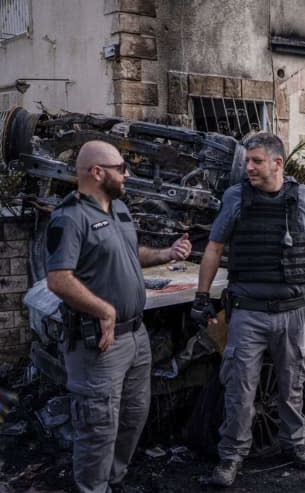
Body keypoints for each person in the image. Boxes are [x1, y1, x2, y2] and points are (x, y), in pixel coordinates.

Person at [191, 132, 305, 488]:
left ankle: (294, 444)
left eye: (256, 161)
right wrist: (202, 295)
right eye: (248, 161)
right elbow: (213, 247)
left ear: (277, 163)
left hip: (291, 313)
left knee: (292, 384)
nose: (249, 167)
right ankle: (231, 457)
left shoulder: (304, 198)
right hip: (248, 311)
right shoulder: (236, 198)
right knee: (239, 387)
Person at [46, 141, 192, 493]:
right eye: (121, 167)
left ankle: (114, 480)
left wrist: (165, 253)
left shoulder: (120, 209)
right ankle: (93, 487)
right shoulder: (70, 217)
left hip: (135, 337)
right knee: (98, 426)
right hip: (99, 343)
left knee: (132, 416)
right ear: (97, 172)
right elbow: (59, 279)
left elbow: (128, 252)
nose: (127, 173)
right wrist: (104, 310)